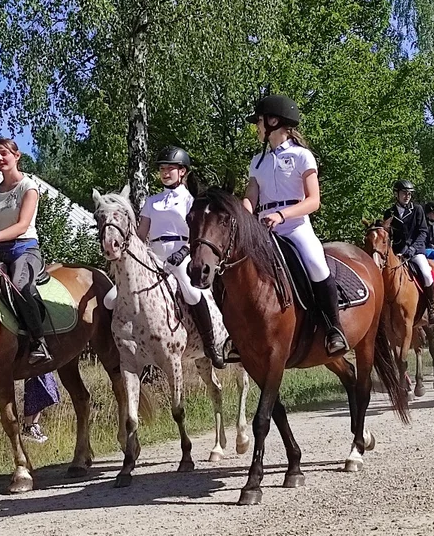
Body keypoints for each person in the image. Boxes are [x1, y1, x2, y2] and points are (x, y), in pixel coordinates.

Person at [242, 94, 348, 355]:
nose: (257, 127)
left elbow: (313, 201)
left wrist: (282, 215)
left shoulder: (302, 156)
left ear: (274, 121)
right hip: (263, 228)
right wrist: (242, 217)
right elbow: (250, 198)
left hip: (295, 226)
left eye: (259, 122)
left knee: (315, 263)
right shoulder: (257, 162)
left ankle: (333, 328)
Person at [137, 145, 230, 369]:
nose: (166, 172)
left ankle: (211, 345)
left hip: (182, 254)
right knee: (114, 296)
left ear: (183, 172)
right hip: (154, 256)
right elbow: (141, 235)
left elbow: (199, 232)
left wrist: (184, 250)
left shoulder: (190, 201)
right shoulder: (151, 202)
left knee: (191, 292)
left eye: (172, 168)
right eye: (162, 169)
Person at [0, 138, 52, 365]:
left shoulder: (28, 187)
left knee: (19, 286)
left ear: (17, 156)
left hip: (25, 249)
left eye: (4, 154)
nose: (0, 159)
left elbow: (22, 226)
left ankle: (39, 342)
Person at [384, 180, 434, 326]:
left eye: (409, 193)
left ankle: (432, 310)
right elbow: (387, 235)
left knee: (427, 274)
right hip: (396, 253)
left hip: (415, 252)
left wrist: (412, 249)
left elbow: (423, 232)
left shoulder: (417, 210)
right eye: (404, 193)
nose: (407, 196)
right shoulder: (389, 213)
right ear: (396, 194)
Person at [22, 373, 60, 443]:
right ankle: (28, 428)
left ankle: (34, 425)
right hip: (30, 368)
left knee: (41, 393)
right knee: (31, 392)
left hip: (40, 367)